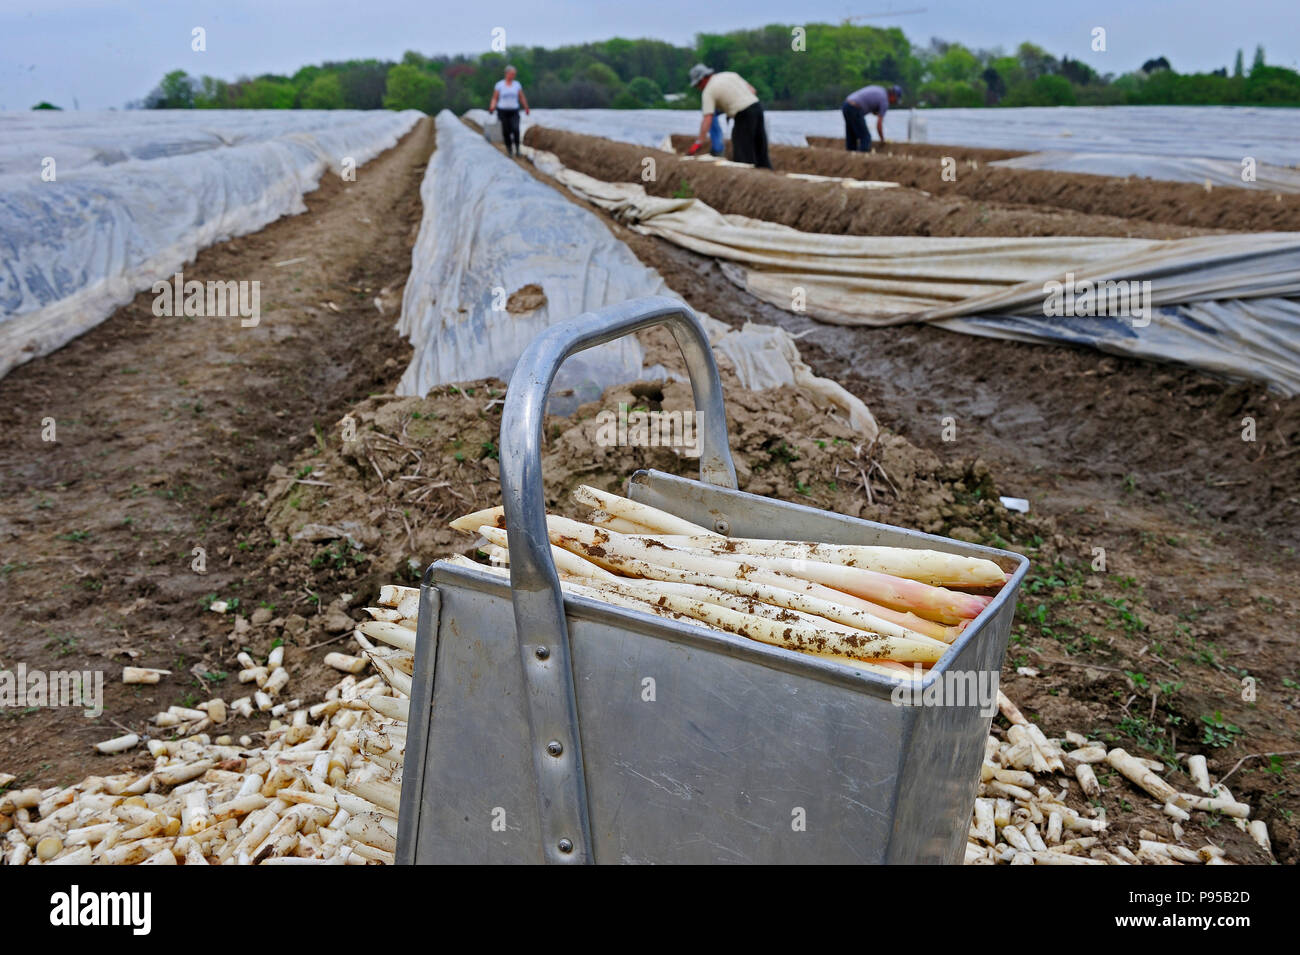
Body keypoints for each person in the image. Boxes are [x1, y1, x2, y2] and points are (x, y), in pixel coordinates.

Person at [686, 64, 770, 169]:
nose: (698, 88)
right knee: (760, 148)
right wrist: (731, 104)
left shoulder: (708, 91)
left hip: (743, 115)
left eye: (698, 85)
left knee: (742, 153)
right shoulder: (730, 75)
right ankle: (766, 173)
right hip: (757, 107)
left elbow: (708, 118)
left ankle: (745, 177)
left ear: (702, 79)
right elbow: (752, 90)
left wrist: (699, 142)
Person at [842, 83, 901, 152]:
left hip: (846, 105)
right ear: (893, 95)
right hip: (854, 108)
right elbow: (879, 124)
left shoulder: (880, 90)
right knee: (866, 138)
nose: (894, 102)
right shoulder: (885, 101)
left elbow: (869, 103)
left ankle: (851, 156)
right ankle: (861, 158)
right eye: (895, 100)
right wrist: (882, 139)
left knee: (851, 137)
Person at [488, 65, 530, 157]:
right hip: (502, 111)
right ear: (506, 74)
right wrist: (492, 107)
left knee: (516, 129)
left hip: (514, 111)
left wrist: (526, 107)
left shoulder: (517, 85)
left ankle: (518, 149)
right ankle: (509, 149)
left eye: (514, 74)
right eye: (512, 74)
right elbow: (495, 98)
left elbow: (521, 97)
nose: (513, 76)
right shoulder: (499, 85)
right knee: (506, 131)